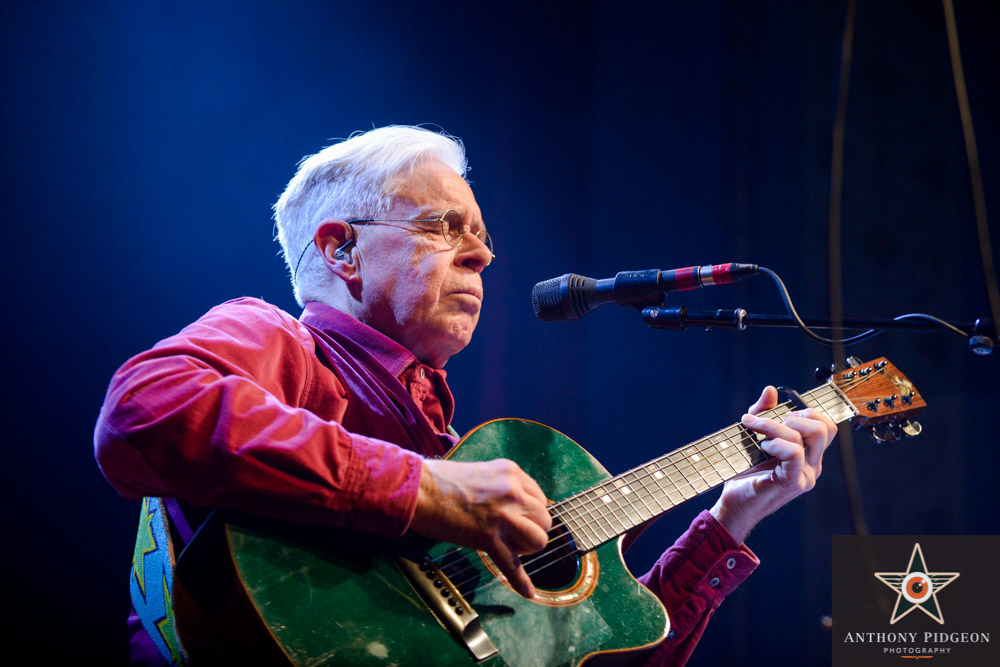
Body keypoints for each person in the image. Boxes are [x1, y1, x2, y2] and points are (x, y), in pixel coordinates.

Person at [94, 125, 837, 666]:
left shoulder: (462, 463)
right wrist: (420, 486)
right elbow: (144, 411)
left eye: (479, 234)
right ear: (339, 248)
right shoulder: (281, 343)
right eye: (442, 226)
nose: (482, 253)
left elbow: (597, 654)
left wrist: (733, 516)